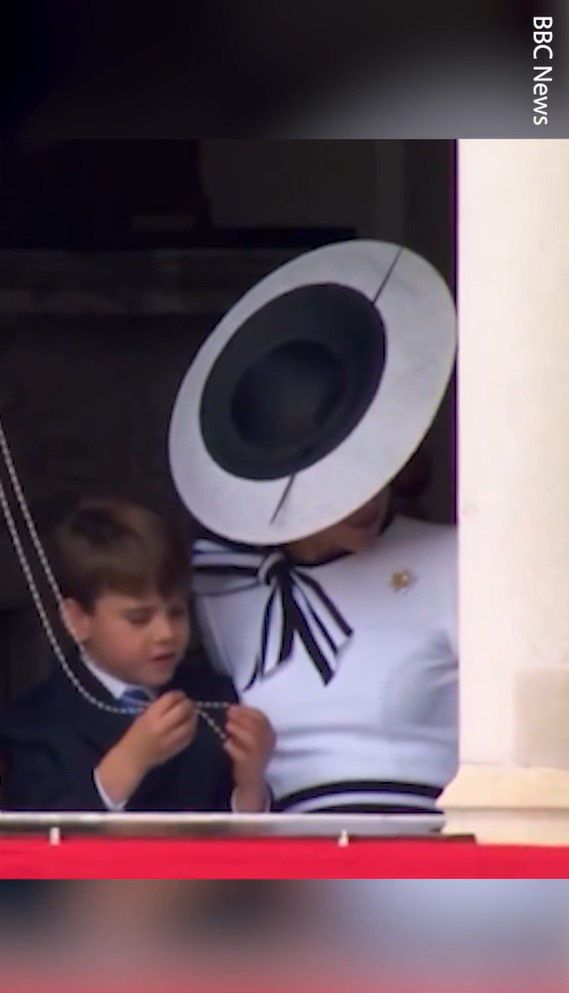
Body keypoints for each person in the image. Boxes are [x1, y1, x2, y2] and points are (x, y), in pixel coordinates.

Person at [169, 239, 458, 815]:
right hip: (290, 864)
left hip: (429, 850)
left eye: (371, 464)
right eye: (336, 477)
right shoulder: (223, 590)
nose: (364, 494)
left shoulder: (454, 560)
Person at [0, 498, 274, 812]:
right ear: (77, 619)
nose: (166, 633)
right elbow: (36, 840)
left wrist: (251, 781)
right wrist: (129, 761)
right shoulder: (34, 722)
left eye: (177, 612)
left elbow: (240, 840)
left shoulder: (213, 697)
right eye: (139, 618)